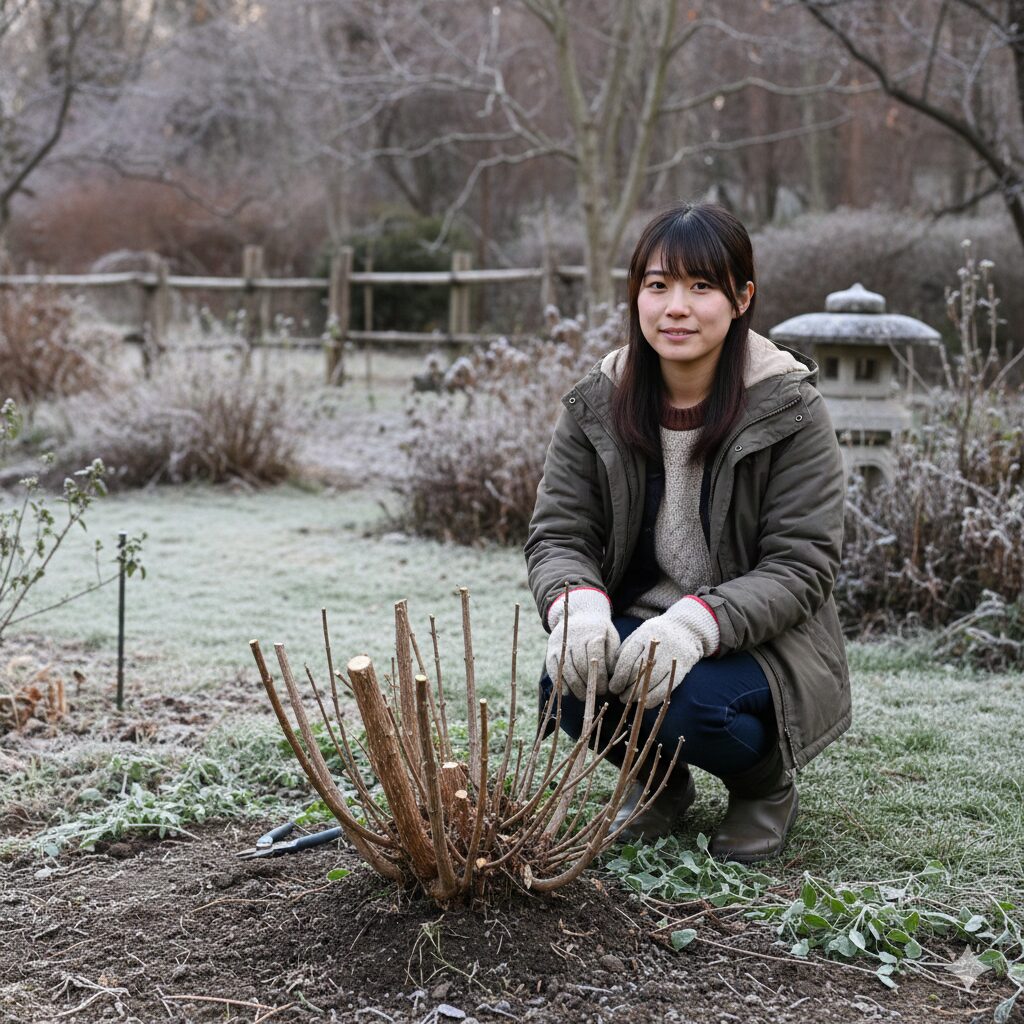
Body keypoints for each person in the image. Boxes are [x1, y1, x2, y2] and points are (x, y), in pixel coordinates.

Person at [524, 202, 850, 863]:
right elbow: (559, 533)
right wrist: (578, 608)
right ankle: (658, 784)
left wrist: (695, 625)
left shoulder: (790, 408)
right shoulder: (598, 402)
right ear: (636, 294)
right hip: (639, 616)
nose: (676, 307)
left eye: (701, 286)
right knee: (568, 682)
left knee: (691, 707)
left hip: (761, 638)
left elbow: (802, 565)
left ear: (741, 298)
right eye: (658, 285)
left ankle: (764, 788)